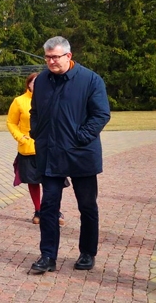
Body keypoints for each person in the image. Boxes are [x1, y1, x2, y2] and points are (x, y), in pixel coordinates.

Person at [29, 36, 110, 274]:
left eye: (56, 57)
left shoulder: (90, 80)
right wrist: (37, 133)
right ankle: (48, 255)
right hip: (50, 154)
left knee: (87, 205)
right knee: (49, 206)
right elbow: (35, 111)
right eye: (48, 57)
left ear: (68, 56)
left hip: (80, 154)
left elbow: (101, 115)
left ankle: (87, 252)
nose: (52, 62)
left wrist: (79, 138)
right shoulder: (42, 80)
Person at [6, 73, 63, 227]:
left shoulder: (52, 98)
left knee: (52, 181)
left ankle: (54, 210)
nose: (37, 85)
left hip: (51, 147)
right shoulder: (19, 101)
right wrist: (20, 137)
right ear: (28, 84)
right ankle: (38, 211)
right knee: (33, 181)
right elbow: (11, 122)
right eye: (34, 83)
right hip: (28, 148)